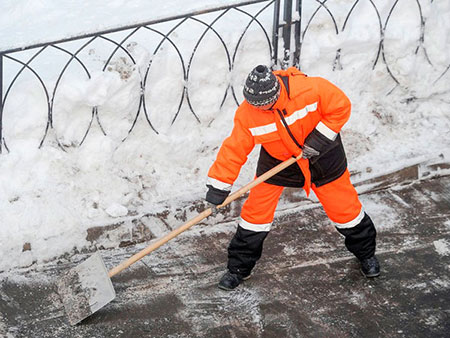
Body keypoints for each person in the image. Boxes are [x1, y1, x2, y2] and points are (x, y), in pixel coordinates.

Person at [205, 65, 380, 291]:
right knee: (255, 214)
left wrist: (317, 140)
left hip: (323, 157)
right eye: (254, 104)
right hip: (279, 163)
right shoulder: (248, 114)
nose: (259, 109)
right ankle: (238, 269)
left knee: (345, 210)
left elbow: (340, 106)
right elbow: (234, 150)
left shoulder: (309, 89)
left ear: (276, 93)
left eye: (263, 104)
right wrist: (218, 189)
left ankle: (366, 255)